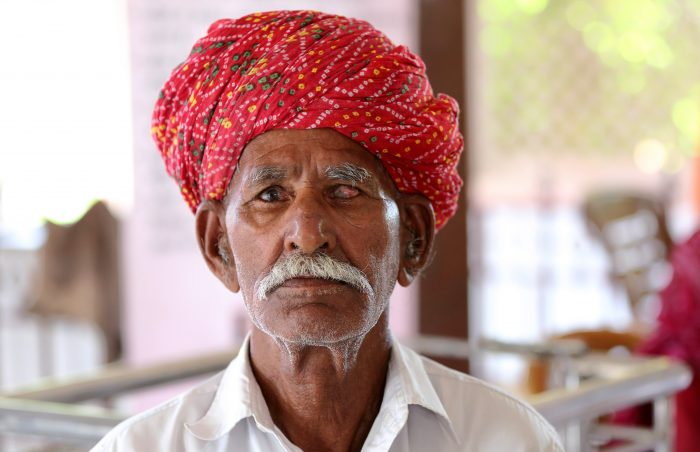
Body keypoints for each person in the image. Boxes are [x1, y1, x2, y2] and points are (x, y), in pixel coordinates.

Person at [93, 10, 563, 451]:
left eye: (344, 191)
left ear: (413, 239)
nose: (307, 233)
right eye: (271, 195)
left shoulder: (509, 438)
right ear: (219, 246)